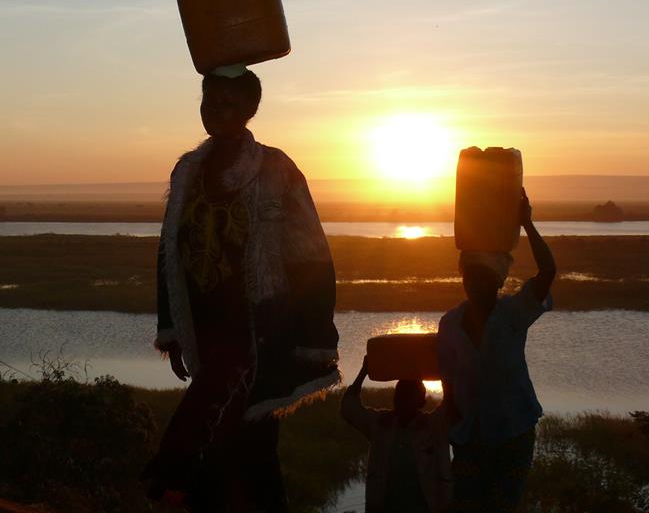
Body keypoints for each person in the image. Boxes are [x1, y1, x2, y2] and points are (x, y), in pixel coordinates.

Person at [144, 68, 340, 512]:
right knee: (232, 446)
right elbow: (170, 252)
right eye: (208, 99)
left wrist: (312, 342)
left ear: (251, 110)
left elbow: (312, 254)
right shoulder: (187, 170)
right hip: (206, 328)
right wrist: (174, 331)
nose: (215, 110)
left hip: (261, 332)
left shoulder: (276, 169)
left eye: (228, 102)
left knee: (238, 440)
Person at [436, 190, 554, 513]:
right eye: (469, 276)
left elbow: (547, 273)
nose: (474, 284)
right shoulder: (450, 324)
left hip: (513, 433)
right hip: (468, 438)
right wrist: (451, 413)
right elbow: (447, 374)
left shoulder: (512, 315)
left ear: (499, 282)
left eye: (483, 278)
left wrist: (527, 224)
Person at [341, 357, 452, 513]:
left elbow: (451, 404)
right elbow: (348, 408)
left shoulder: (432, 426)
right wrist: (363, 371)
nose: (402, 400)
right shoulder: (381, 425)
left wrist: (444, 372)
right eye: (400, 395)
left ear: (421, 402)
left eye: (409, 396)